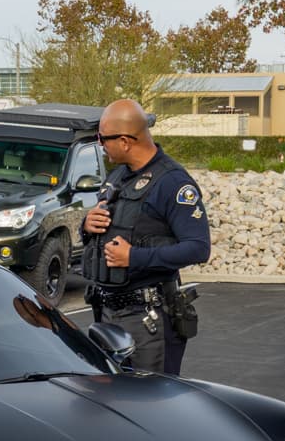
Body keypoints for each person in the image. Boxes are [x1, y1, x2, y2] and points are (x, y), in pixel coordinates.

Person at [81, 98, 210, 375]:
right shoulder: (118, 176)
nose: (100, 144)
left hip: (149, 321)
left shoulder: (173, 182)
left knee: (151, 405)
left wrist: (133, 257)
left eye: (103, 138)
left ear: (126, 141)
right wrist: (87, 224)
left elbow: (198, 248)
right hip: (108, 313)